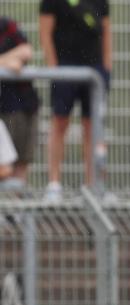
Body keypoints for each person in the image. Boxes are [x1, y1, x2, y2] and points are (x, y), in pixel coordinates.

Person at [39, 0, 111, 195]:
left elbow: (106, 32)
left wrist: (106, 68)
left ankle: (93, 185)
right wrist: (53, 68)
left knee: (92, 126)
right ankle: (54, 184)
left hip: (94, 69)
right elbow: (45, 32)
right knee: (59, 122)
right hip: (64, 67)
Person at [0, 15, 39, 185]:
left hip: (26, 102)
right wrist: (9, 61)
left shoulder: (6, 25)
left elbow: (26, 52)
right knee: (8, 168)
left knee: (22, 162)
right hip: (6, 107)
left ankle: (17, 208)